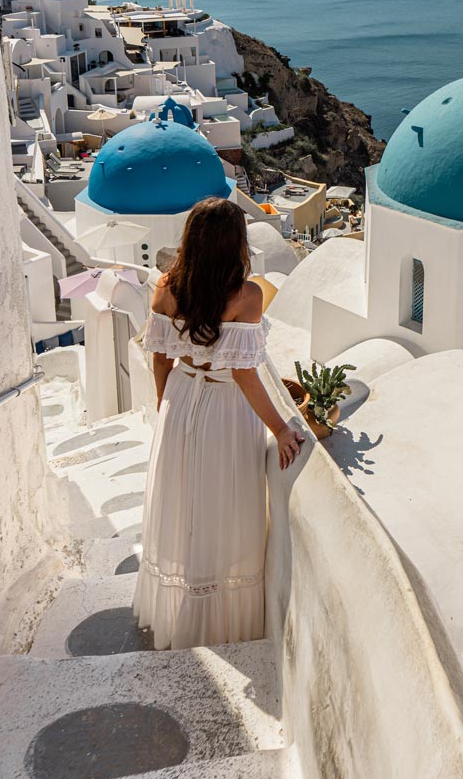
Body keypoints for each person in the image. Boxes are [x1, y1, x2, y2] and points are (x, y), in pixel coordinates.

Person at [133, 196, 303, 650]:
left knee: (186, 502)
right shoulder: (246, 297)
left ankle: (185, 605)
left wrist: (165, 403)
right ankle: (217, 616)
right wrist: (281, 429)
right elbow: (245, 374)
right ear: (235, 245)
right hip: (226, 408)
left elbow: (161, 359)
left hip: (182, 400)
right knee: (225, 504)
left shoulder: (167, 287)